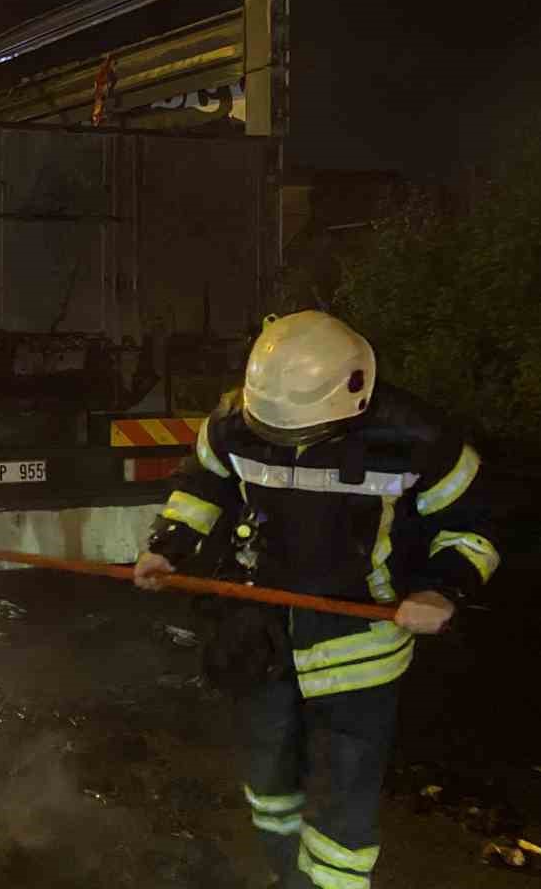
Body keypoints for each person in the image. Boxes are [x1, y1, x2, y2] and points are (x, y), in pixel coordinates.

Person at [133, 311, 500, 889]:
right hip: (262, 636)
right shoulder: (235, 422)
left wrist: (440, 589)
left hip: (359, 651)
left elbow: (473, 530)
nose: (287, 444)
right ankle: (285, 875)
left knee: (342, 792)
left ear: (354, 394)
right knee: (268, 778)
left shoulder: (420, 441)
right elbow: (202, 485)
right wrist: (169, 547)